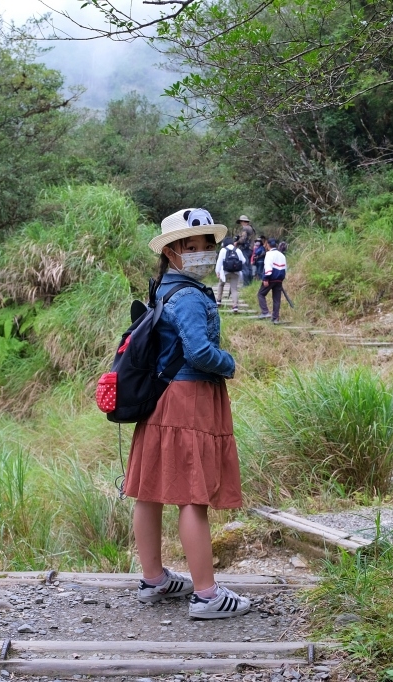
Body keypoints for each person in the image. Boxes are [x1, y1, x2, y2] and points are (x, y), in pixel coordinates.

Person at [126, 207, 251, 620]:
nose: (202, 254)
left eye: (206, 247)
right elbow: (199, 351)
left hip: (161, 396)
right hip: (189, 397)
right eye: (192, 247)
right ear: (173, 251)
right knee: (192, 494)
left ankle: (154, 579)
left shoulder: (161, 288)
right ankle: (207, 595)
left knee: (150, 490)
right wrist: (228, 362)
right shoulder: (191, 297)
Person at [257, 238, 287, 324]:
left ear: (268, 245)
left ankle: (265, 312)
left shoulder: (269, 254)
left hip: (271, 277)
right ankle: (275, 318)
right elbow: (285, 268)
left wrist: (266, 278)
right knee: (277, 299)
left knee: (261, 294)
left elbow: (268, 267)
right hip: (280, 279)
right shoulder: (282, 255)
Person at [215, 237, 246, 312]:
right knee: (234, 289)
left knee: (221, 284)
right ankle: (235, 306)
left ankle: (219, 300)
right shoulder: (237, 250)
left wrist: (217, 271)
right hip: (235, 272)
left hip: (225, 272)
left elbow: (219, 262)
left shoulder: (223, 250)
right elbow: (243, 261)